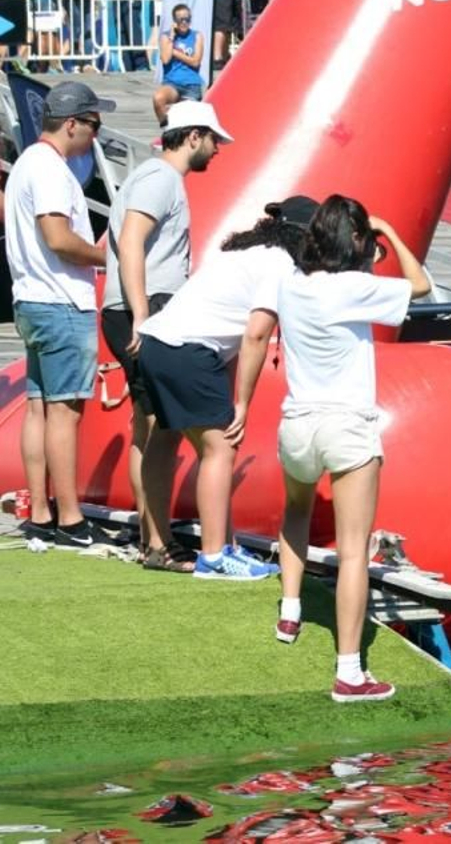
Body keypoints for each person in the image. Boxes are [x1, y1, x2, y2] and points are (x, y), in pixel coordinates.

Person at [273, 195, 432, 703]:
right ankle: (349, 672)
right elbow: (421, 284)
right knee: (354, 551)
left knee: (295, 511)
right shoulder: (355, 288)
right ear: (358, 240)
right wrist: (388, 231)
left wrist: (368, 239)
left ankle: (290, 611)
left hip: (297, 423)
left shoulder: (291, 284)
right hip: (346, 425)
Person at [136, 197, 311, 580]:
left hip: (155, 343)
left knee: (163, 439)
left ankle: (156, 544)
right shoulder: (282, 266)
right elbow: (256, 334)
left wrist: (229, 401)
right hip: (188, 351)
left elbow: (229, 339)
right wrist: (243, 404)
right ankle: (215, 556)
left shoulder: (244, 253)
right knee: (220, 449)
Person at [101, 101, 232, 573]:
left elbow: (119, 242)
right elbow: (132, 238)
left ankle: (151, 537)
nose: (218, 149)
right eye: (213, 139)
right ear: (193, 136)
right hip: (149, 308)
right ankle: (157, 542)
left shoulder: (149, 176)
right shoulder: (161, 179)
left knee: (150, 426)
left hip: (141, 306)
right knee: (160, 430)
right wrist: (141, 312)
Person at [6, 82, 118, 548]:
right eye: (93, 124)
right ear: (72, 123)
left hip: (32, 297)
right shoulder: (51, 169)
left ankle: (43, 509)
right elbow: (57, 237)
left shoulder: (27, 165)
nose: (96, 134)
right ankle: (70, 517)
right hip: (59, 300)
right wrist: (104, 256)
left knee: (38, 408)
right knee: (64, 412)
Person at [152, 4, 204, 126]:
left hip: (191, 85)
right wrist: (172, 36)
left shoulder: (197, 36)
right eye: (181, 19)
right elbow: (165, 59)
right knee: (158, 99)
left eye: (187, 19)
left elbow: (196, 61)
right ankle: (166, 128)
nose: (184, 22)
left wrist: (175, 52)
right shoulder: (166, 37)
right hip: (172, 83)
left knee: (186, 121)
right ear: (175, 21)